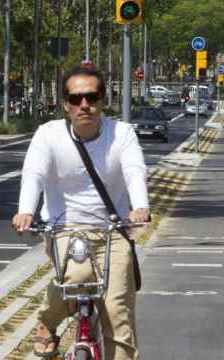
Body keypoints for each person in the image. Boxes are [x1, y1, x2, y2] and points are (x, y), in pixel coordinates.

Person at [12, 64, 149, 359]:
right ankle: (47, 324)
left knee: (116, 312)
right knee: (75, 277)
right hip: (65, 229)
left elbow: (134, 170)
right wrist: (25, 211)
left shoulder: (121, 134)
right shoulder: (48, 135)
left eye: (92, 97)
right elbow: (33, 173)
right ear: (65, 104)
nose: (84, 105)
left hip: (114, 230)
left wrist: (140, 206)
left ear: (102, 100)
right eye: (75, 99)